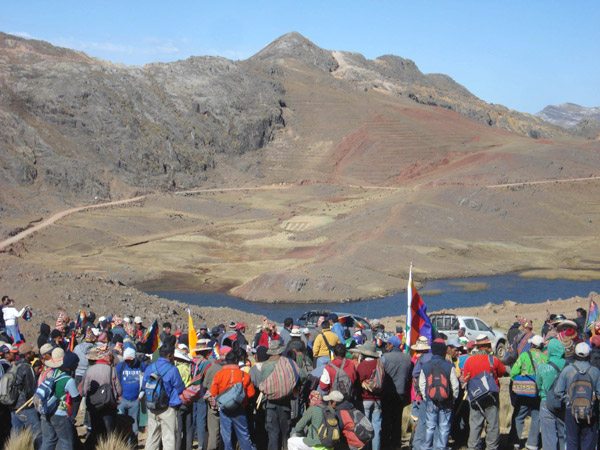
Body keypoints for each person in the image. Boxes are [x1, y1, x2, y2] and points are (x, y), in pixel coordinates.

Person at [462, 335, 506, 450]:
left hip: (475, 396)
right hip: (491, 396)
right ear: (486, 346)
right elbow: (502, 372)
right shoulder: (493, 360)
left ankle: (473, 447)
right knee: (493, 424)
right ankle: (491, 447)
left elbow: (465, 377)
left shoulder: (469, 361)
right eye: (489, 345)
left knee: (475, 425)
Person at [554, 342, 600, 450]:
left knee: (571, 442)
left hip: (571, 410)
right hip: (590, 412)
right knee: (588, 443)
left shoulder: (567, 370)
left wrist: (568, 400)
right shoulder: (595, 371)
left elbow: (558, 392)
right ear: (589, 355)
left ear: (575, 354)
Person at [258, 339, 300, 450]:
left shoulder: (265, 366)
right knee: (285, 433)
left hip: (271, 405)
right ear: (280, 351)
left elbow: (262, 385)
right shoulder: (288, 363)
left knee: (273, 434)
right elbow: (300, 376)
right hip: (285, 404)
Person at [210, 350, 256, 450]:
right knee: (244, 435)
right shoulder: (244, 375)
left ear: (226, 361)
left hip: (224, 409)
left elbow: (213, 393)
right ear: (236, 361)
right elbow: (251, 394)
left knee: (226, 436)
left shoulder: (219, 375)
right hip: (240, 408)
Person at [418, 340, 459, 450]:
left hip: (431, 400)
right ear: (444, 351)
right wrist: (453, 399)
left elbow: (422, 384)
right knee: (444, 427)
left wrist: (426, 397)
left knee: (429, 426)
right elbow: (455, 385)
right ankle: (441, 448)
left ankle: (426, 447)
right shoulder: (449, 366)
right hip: (447, 401)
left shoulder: (426, 366)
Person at [143, 344, 185, 450]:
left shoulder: (150, 367)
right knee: (169, 438)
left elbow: (144, 386)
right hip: (168, 408)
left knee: (152, 437)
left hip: (152, 406)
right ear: (170, 355)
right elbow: (180, 388)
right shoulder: (173, 369)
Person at [509, 334, 547, 450]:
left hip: (524, 391)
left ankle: (515, 442)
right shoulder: (545, 358)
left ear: (532, 345)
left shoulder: (525, 355)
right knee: (536, 417)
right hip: (538, 392)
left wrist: (519, 381)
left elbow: (513, 372)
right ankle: (532, 444)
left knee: (519, 416)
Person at [40, 349, 81, 450]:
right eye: (76, 364)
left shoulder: (51, 373)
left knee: (49, 441)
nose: (77, 365)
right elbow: (76, 399)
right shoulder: (68, 380)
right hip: (61, 415)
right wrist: (73, 416)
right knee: (66, 443)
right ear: (71, 365)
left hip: (46, 411)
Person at [82, 344, 122, 448]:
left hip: (93, 404)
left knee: (95, 428)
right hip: (108, 403)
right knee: (109, 429)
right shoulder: (111, 369)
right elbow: (118, 388)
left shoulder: (89, 370)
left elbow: (84, 390)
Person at [380, 335, 412, 450]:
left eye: (387, 344)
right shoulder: (407, 358)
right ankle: (395, 443)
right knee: (397, 419)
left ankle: (385, 444)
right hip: (401, 393)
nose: (386, 346)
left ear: (391, 345)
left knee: (386, 419)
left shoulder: (385, 357)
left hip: (387, 392)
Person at [536, 338, 566, 450]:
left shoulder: (542, 367)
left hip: (546, 402)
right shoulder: (569, 366)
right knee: (564, 434)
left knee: (548, 437)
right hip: (563, 401)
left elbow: (538, 385)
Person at [10, 343, 42, 447]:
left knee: (16, 436)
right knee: (37, 434)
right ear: (27, 354)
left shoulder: (14, 366)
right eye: (32, 352)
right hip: (26, 407)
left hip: (13, 407)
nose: (34, 354)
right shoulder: (27, 367)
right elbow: (30, 389)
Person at [116, 347, 146, 446]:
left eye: (130, 360)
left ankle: (133, 445)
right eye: (126, 360)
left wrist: (140, 395)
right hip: (122, 399)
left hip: (135, 400)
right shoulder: (121, 366)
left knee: (134, 425)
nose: (128, 362)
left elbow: (146, 380)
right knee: (121, 423)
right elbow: (115, 380)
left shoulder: (141, 366)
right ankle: (122, 445)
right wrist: (118, 396)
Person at [355, 342, 383, 450]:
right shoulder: (379, 364)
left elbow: (358, 383)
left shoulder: (362, 366)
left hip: (365, 399)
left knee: (365, 428)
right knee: (376, 427)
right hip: (378, 400)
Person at [174, 348, 194, 450]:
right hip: (189, 399)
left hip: (179, 399)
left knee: (178, 428)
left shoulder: (177, 369)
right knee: (188, 427)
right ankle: (188, 447)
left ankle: (178, 447)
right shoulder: (189, 368)